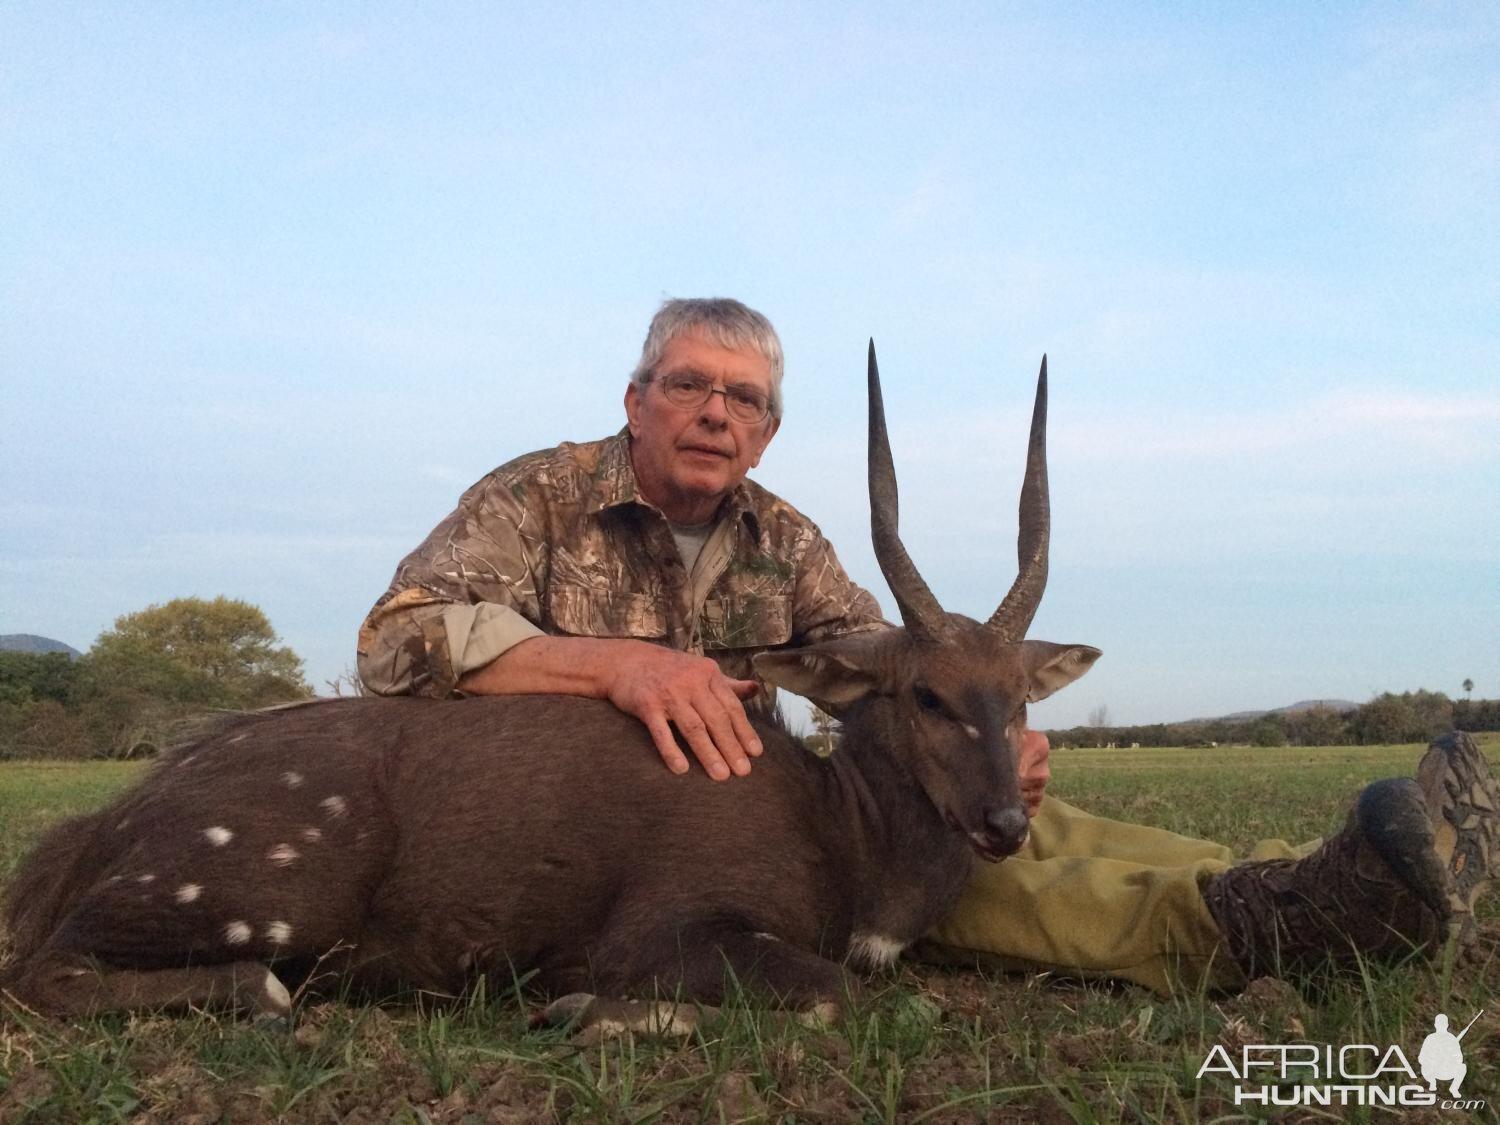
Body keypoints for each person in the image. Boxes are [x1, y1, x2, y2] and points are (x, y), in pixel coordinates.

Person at [359, 297, 1497, 996]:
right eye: (689, 385)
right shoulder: (537, 499)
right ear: (637, 397)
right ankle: (1257, 926)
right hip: (588, 843)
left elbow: (903, 670)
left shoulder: (786, 539)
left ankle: (1319, 866)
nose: (715, 411)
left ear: (767, 428)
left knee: (1000, 814)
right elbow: (395, 640)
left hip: (747, 819)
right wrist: (612, 665)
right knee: (947, 888)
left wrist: (994, 720)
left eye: (742, 398)